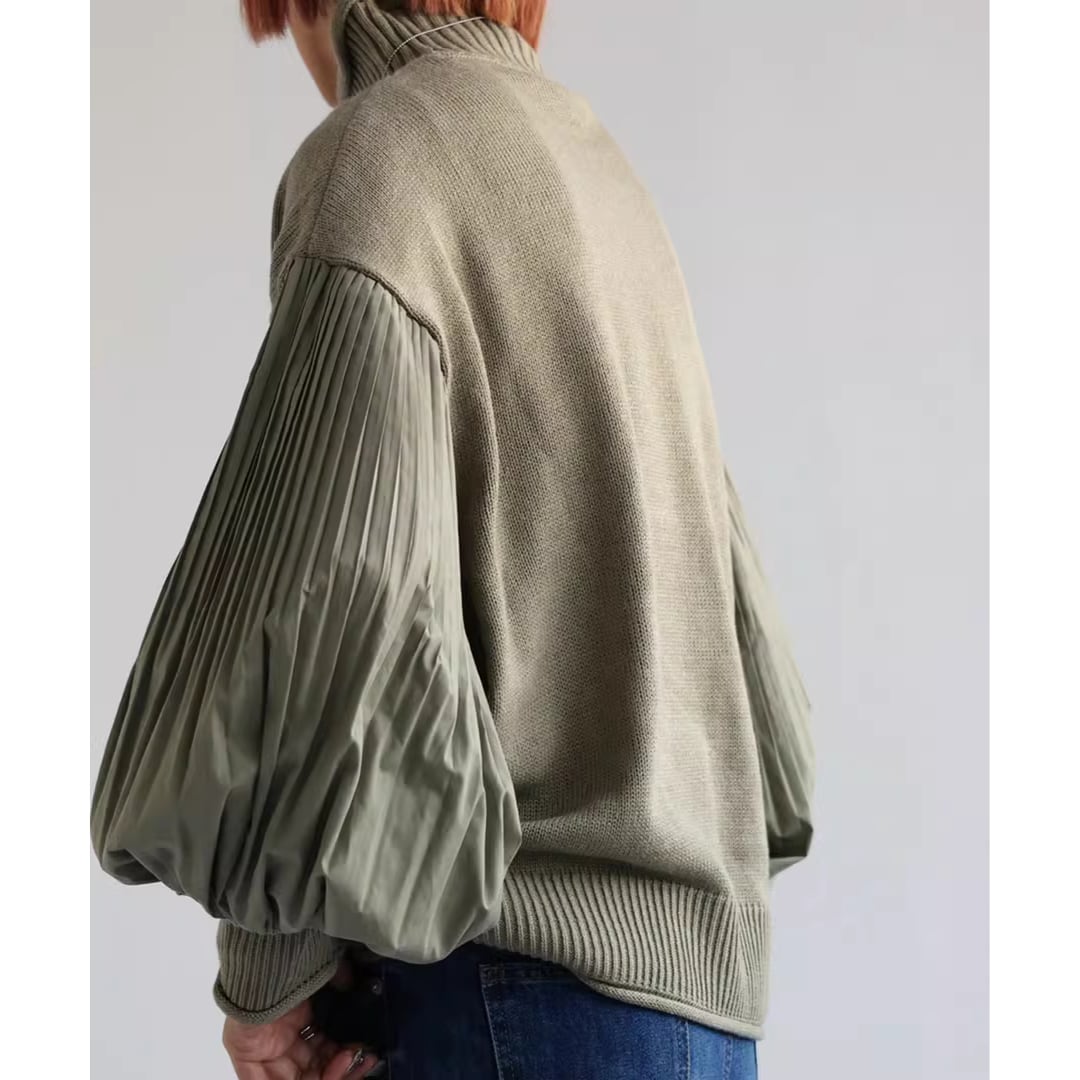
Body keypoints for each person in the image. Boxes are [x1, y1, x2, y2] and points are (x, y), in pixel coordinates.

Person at [89, 2, 815, 1077]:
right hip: (701, 1015)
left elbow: (331, 599)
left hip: (512, 991)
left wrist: (268, 981)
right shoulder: (598, 164)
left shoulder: (382, 156)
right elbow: (720, 610)